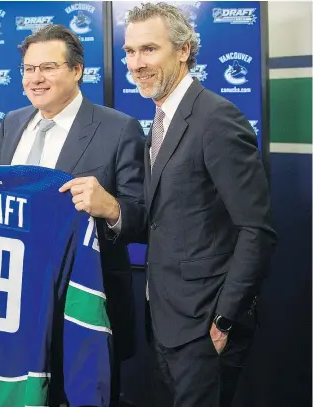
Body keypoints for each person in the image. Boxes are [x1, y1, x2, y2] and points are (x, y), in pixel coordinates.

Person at [122, 3, 276, 406]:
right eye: (130, 51)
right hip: (165, 320)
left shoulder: (216, 119)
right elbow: (164, 219)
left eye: (149, 49)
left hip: (206, 328)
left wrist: (224, 319)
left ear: (184, 50)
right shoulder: (158, 122)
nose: (137, 63)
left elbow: (256, 231)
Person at [0, 24, 147, 406]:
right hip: (15, 306)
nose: (35, 78)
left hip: (84, 309)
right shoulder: (12, 122)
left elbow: (142, 217)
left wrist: (109, 207)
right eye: (28, 68)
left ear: (77, 71)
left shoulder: (118, 128)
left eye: (48, 67)